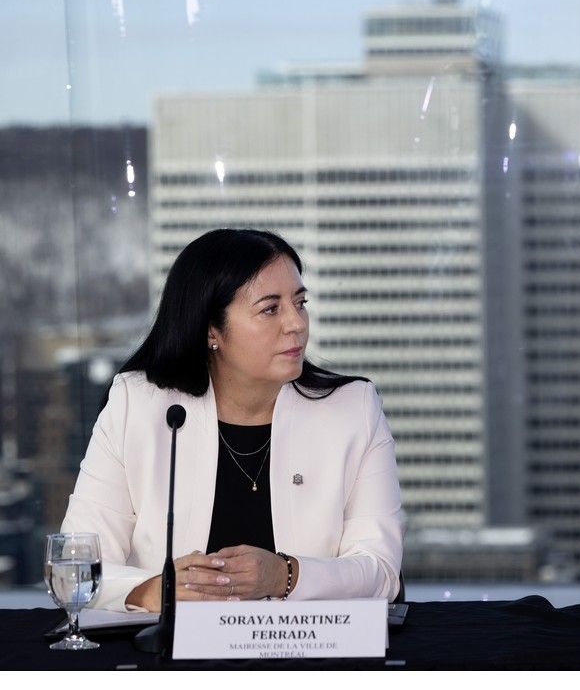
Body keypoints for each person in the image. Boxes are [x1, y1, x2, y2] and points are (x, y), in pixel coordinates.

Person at [61, 229, 403, 611]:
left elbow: (381, 572)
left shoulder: (352, 409)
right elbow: (76, 567)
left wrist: (286, 576)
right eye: (271, 309)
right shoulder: (137, 406)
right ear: (212, 330)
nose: (297, 324)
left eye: (300, 303)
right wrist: (154, 590)